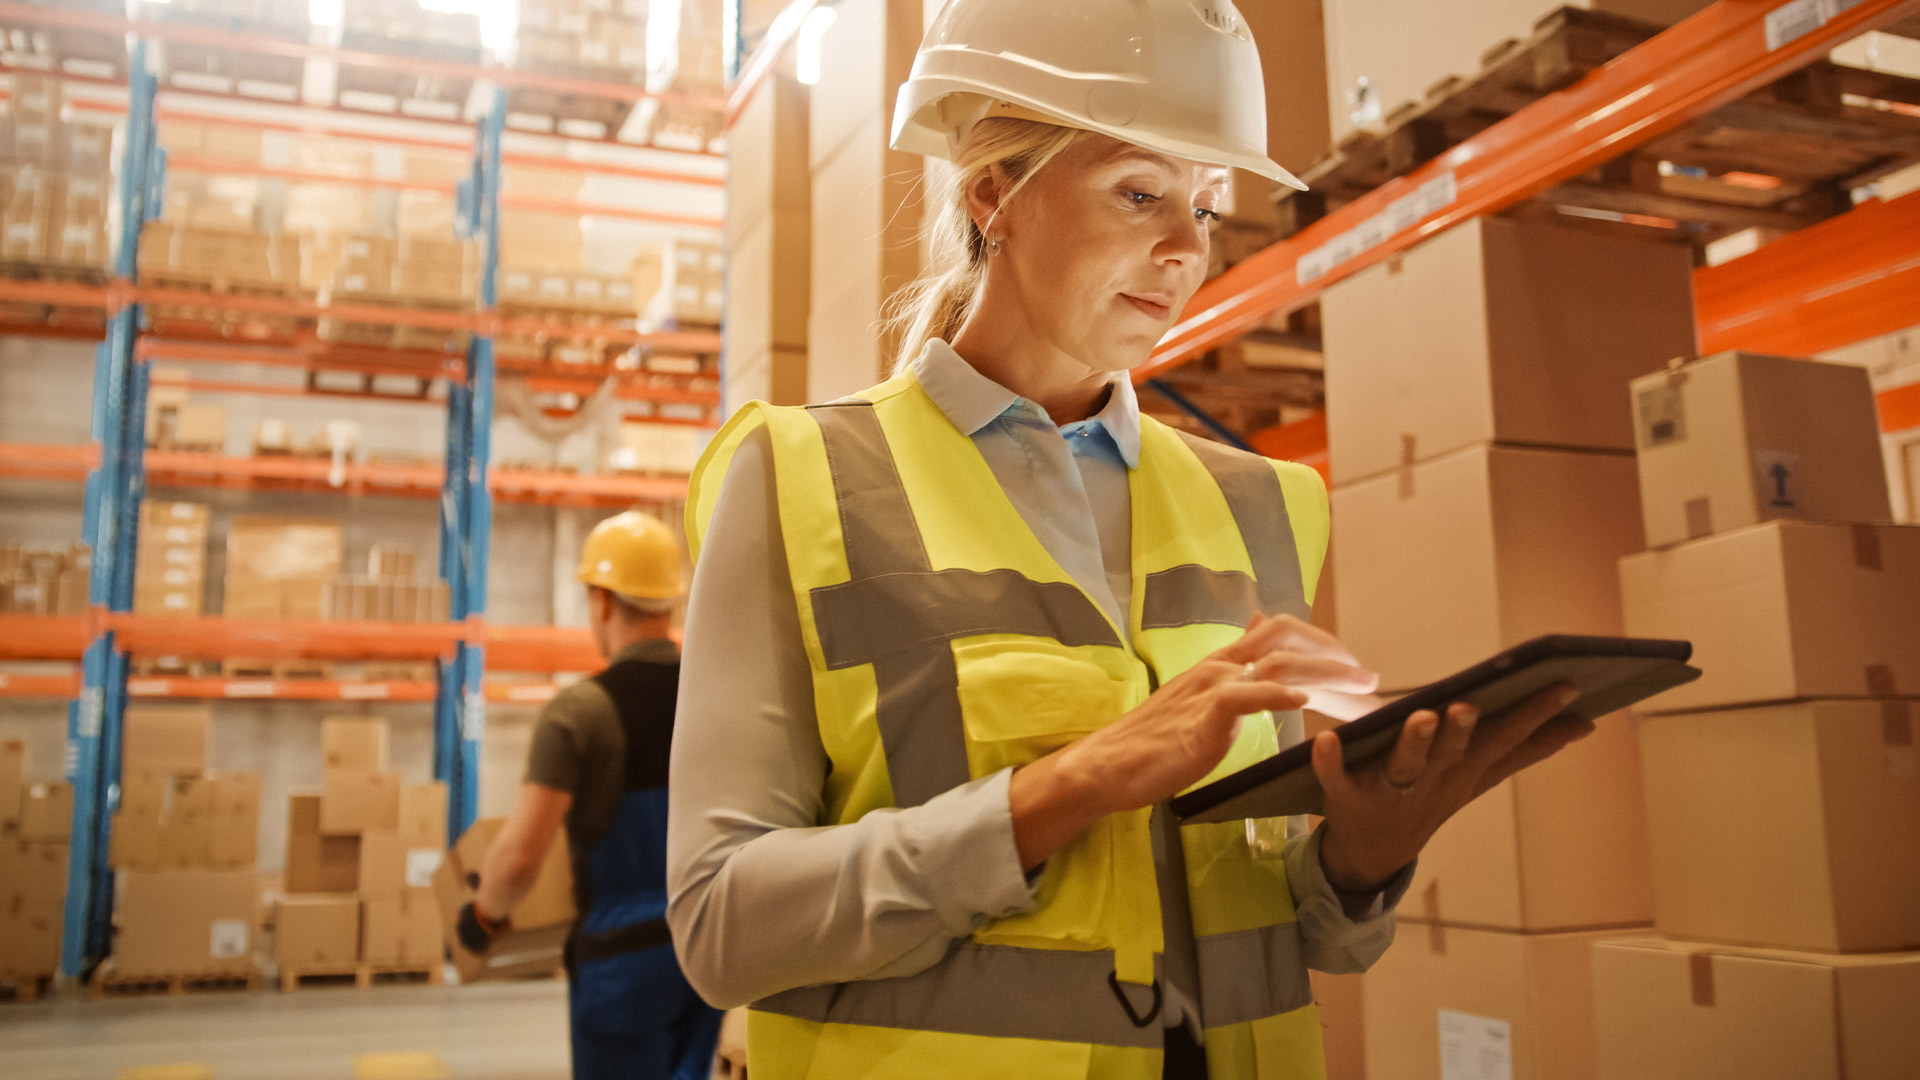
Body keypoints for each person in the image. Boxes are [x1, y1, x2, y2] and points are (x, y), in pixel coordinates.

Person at [665, 2, 1590, 1077]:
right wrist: (1067, 788)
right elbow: (719, 927)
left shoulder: (1263, 505)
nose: (1188, 247)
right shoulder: (800, 479)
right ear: (992, 194)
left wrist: (1365, 856)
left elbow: (1298, 926)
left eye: (1206, 204)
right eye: (1140, 193)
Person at [458, 510, 721, 1080]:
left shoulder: (580, 714)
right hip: (704, 952)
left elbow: (521, 857)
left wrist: (483, 917)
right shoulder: (715, 695)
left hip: (623, 963)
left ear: (602, 601)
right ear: (668, 600)